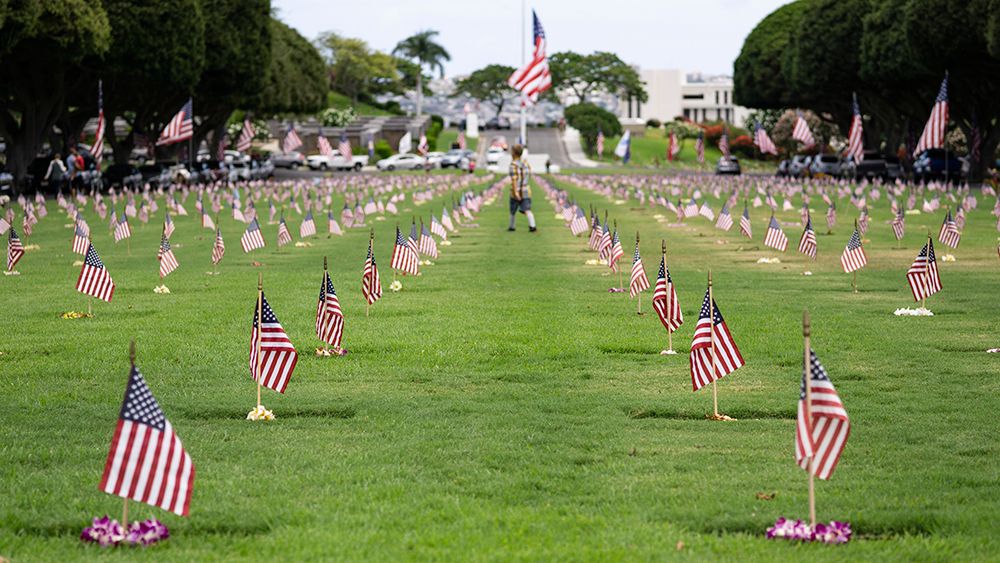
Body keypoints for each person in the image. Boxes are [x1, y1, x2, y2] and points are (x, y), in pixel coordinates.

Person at [508, 144, 536, 232]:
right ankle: (532, 225)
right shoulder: (526, 164)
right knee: (527, 209)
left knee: (513, 210)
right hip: (526, 190)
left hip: (516, 190)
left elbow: (514, 180)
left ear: (513, 153)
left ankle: (512, 226)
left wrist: (516, 192)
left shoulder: (513, 165)